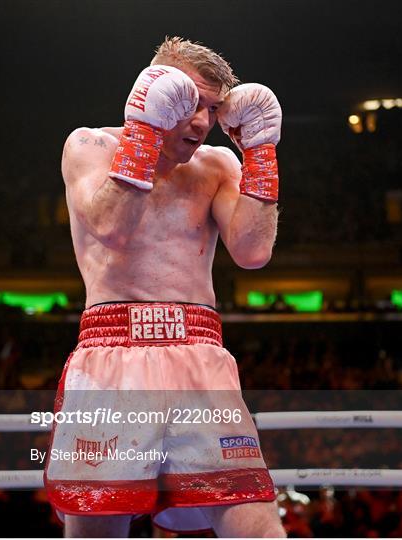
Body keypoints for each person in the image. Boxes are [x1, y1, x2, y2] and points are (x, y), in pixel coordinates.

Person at [44, 36, 284, 538]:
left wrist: (260, 152)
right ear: (154, 91)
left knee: (256, 521)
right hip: (112, 354)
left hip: (199, 355)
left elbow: (254, 251)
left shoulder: (217, 166)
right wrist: (144, 132)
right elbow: (111, 226)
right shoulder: (90, 146)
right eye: (188, 100)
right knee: (97, 528)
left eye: (212, 108)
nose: (200, 120)